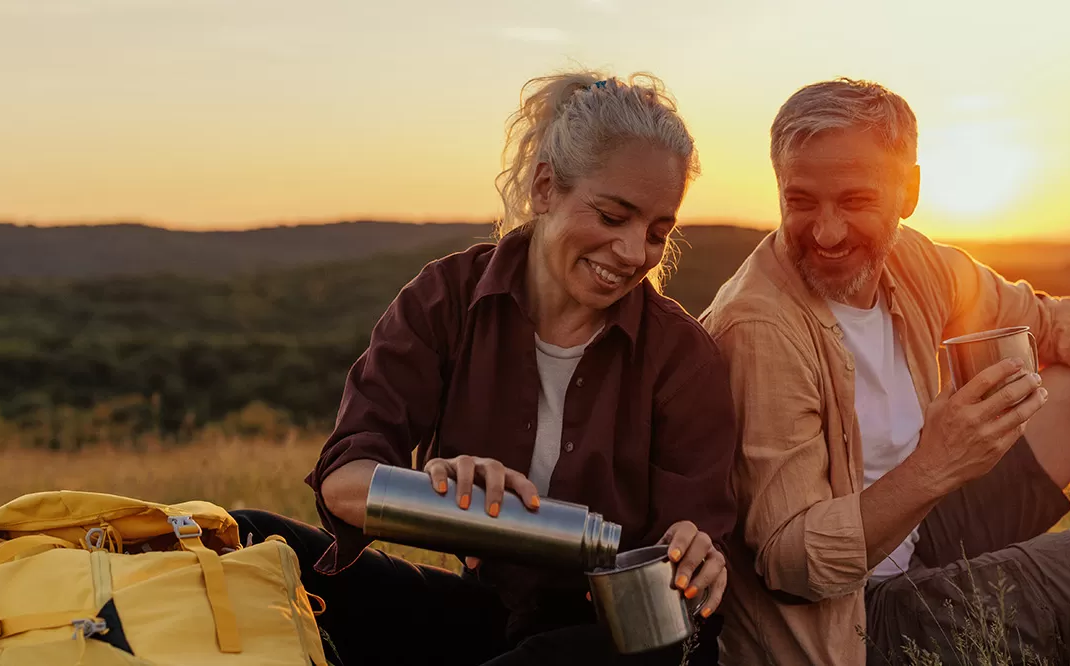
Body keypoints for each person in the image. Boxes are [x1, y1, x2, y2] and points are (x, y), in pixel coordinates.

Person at [703, 79, 1070, 665]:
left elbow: (1053, 324)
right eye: (800, 202)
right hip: (849, 625)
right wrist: (938, 463)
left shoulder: (911, 261)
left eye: (854, 202)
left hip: (919, 535)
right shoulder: (759, 329)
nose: (825, 232)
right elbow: (791, 562)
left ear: (910, 191)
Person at [229, 70, 740, 665]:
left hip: (616, 639)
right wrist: (442, 490)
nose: (633, 254)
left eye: (657, 231)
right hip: (491, 615)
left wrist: (695, 554)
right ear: (545, 187)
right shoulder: (446, 299)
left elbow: (690, 574)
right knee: (252, 539)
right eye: (611, 216)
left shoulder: (681, 356)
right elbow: (345, 481)